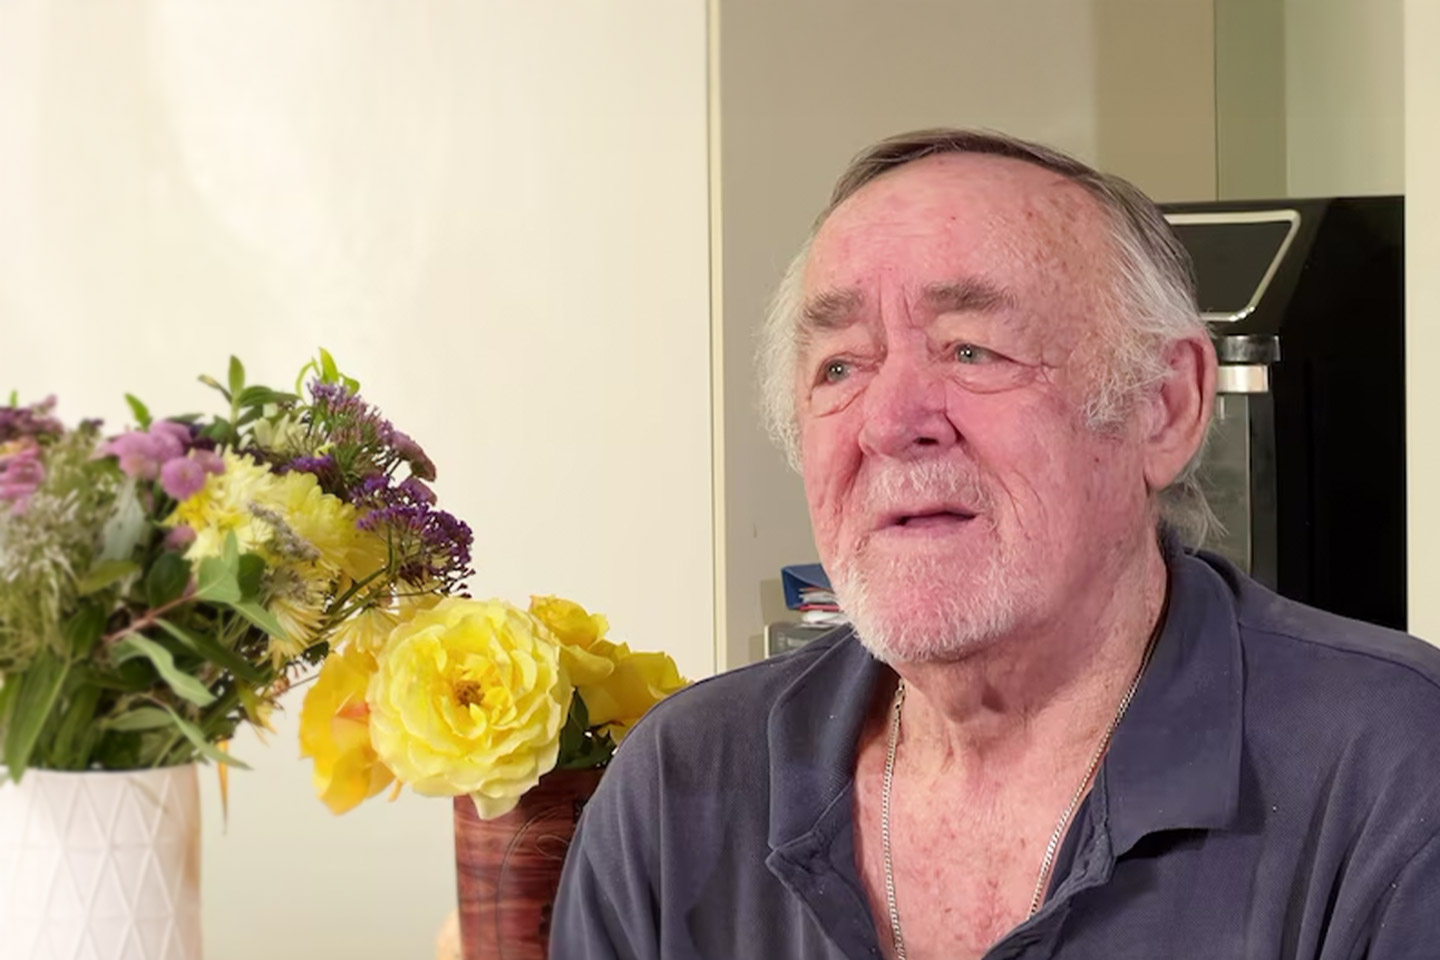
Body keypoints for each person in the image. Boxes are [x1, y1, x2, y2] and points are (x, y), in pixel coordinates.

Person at [549, 129, 1440, 960]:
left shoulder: (1394, 770)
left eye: (972, 350)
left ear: (1165, 407)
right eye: (840, 367)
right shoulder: (678, 787)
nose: (891, 423)